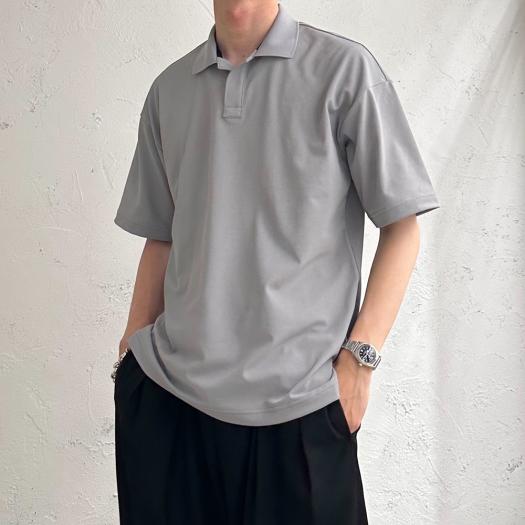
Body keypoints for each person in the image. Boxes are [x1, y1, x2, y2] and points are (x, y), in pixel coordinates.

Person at [111, 1, 440, 523]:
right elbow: (163, 236)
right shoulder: (168, 90)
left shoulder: (345, 72)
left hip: (300, 412)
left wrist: (359, 361)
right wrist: (131, 351)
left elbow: (402, 227)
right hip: (170, 407)